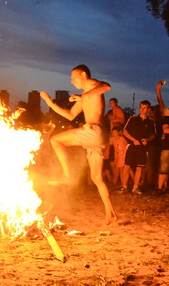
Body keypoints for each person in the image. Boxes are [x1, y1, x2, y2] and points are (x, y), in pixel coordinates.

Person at [40, 64, 117, 225]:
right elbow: (70, 115)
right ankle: (111, 215)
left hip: (94, 132)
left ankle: (67, 175)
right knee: (97, 178)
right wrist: (50, 102)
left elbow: (106, 86)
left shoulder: (90, 85)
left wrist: (84, 96)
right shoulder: (86, 95)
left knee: (55, 140)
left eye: (73, 77)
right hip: (99, 138)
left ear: (83, 74)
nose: (72, 81)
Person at [120, 100, 156, 195]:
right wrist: (134, 140)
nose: (142, 109)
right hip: (132, 146)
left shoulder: (151, 122)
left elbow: (153, 135)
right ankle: (124, 186)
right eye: (141, 107)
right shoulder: (133, 119)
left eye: (144, 108)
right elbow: (125, 132)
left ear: (148, 109)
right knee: (127, 166)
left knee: (139, 167)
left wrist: (147, 140)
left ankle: (135, 187)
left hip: (142, 148)